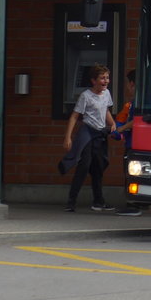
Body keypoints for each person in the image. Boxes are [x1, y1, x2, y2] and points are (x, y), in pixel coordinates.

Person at [58, 64, 118, 212]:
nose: (106, 81)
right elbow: (74, 116)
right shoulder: (86, 96)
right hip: (87, 132)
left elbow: (106, 111)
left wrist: (112, 123)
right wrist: (68, 137)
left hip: (100, 133)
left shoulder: (107, 94)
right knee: (84, 165)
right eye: (102, 78)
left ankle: (99, 201)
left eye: (107, 78)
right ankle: (71, 202)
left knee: (98, 167)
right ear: (93, 80)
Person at [112, 69, 142, 217]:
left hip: (133, 144)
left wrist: (121, 129)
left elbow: (135, 121)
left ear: (131, 84)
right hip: (137, 142)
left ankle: (132, 204)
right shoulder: (139, 100)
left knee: (131, 173)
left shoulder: (137, 102)